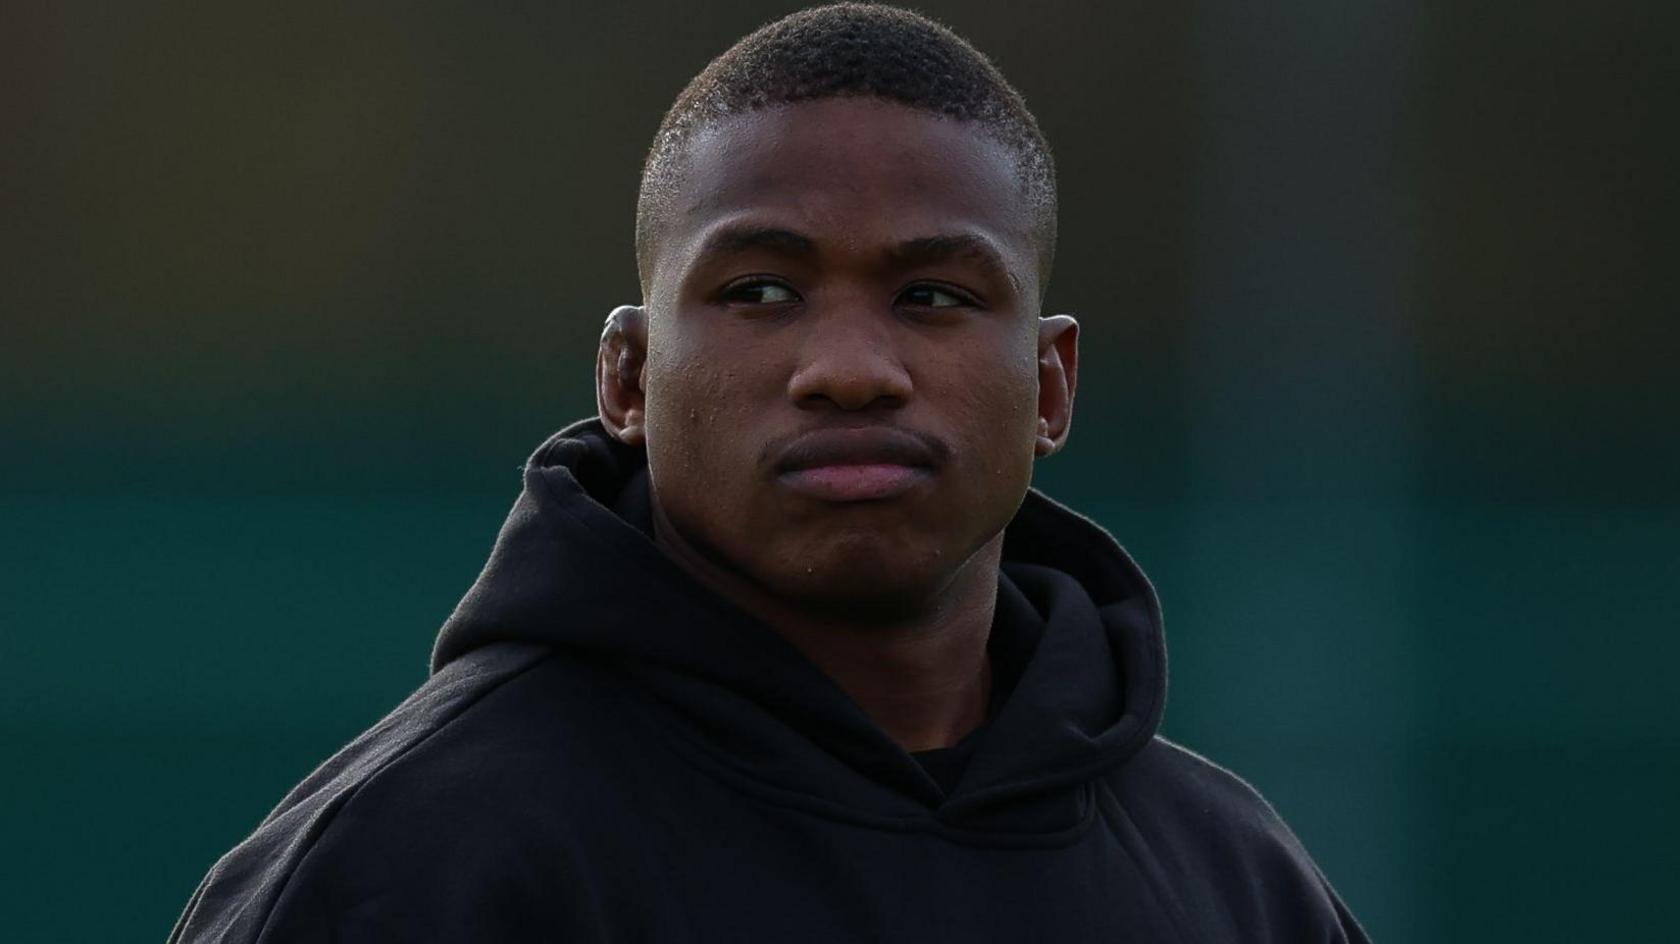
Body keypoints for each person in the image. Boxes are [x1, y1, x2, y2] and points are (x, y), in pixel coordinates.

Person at [170, 4, 1369, 941]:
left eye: (933, 296)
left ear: (1049, 386)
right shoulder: (411, 873)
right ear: (629, 378)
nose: (849, 368)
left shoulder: (1237, 885)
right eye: (760, 291)